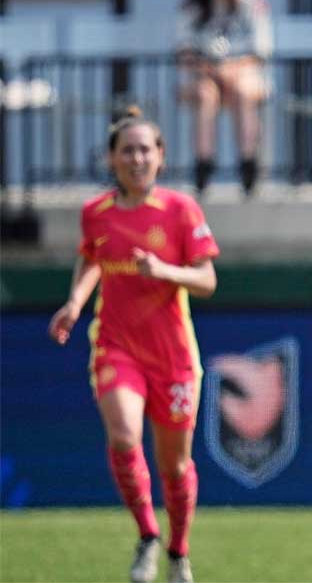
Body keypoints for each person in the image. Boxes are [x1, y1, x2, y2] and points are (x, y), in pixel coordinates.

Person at [48, 106, 220, 583]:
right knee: (124, 436)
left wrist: (164, 271)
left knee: (175, 464)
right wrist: (75, 303)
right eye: (128, 150)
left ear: (160, 157)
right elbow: (91, 261)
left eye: (146, 149)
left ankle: (178, 552)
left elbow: (207, 280)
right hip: (116, 347)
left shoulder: (181, 209)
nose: (137, 158)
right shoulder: (95, 214)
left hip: (173, 357)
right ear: (111, 159)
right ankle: (147, 535)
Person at [176, 0, 273, 196]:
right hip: (204, 73)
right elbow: (183, 51)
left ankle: (248, 162)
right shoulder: (191, 7)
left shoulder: (252, 4)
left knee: (242, 90)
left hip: (244, 73)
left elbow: (260, 51)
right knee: (206, 95)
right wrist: (211, 69)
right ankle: (204, 163)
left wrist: (232, 69)